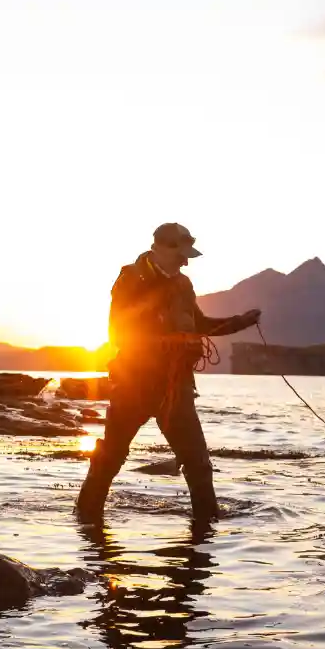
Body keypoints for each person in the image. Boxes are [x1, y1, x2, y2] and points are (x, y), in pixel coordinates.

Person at [75, 222, 261, 521]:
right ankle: (86, 517)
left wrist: (241, 321)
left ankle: (206, 526)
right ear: (160, 248)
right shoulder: (129, 280)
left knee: (198, 463)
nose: (186, 262)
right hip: (134, 384)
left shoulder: (183, 284)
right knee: (111, 457)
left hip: (176, 387)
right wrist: (168, 341)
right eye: (181, 255)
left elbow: (200, 325)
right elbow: (118, 335)